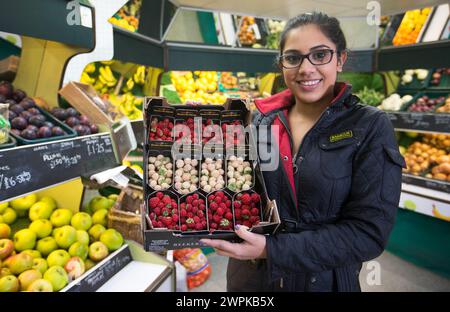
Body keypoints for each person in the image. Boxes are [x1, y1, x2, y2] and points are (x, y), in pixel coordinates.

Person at [200, 12, 406, 292]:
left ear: (340, 59)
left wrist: (271, 250)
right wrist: (201, 125)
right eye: (293, 57)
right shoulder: (260, 119)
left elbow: (368, 234)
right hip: (251, 281)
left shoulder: (369, 126)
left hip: (322, 282)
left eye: (320, 55)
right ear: (282, 64)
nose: (306, 69)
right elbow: (233, 186)